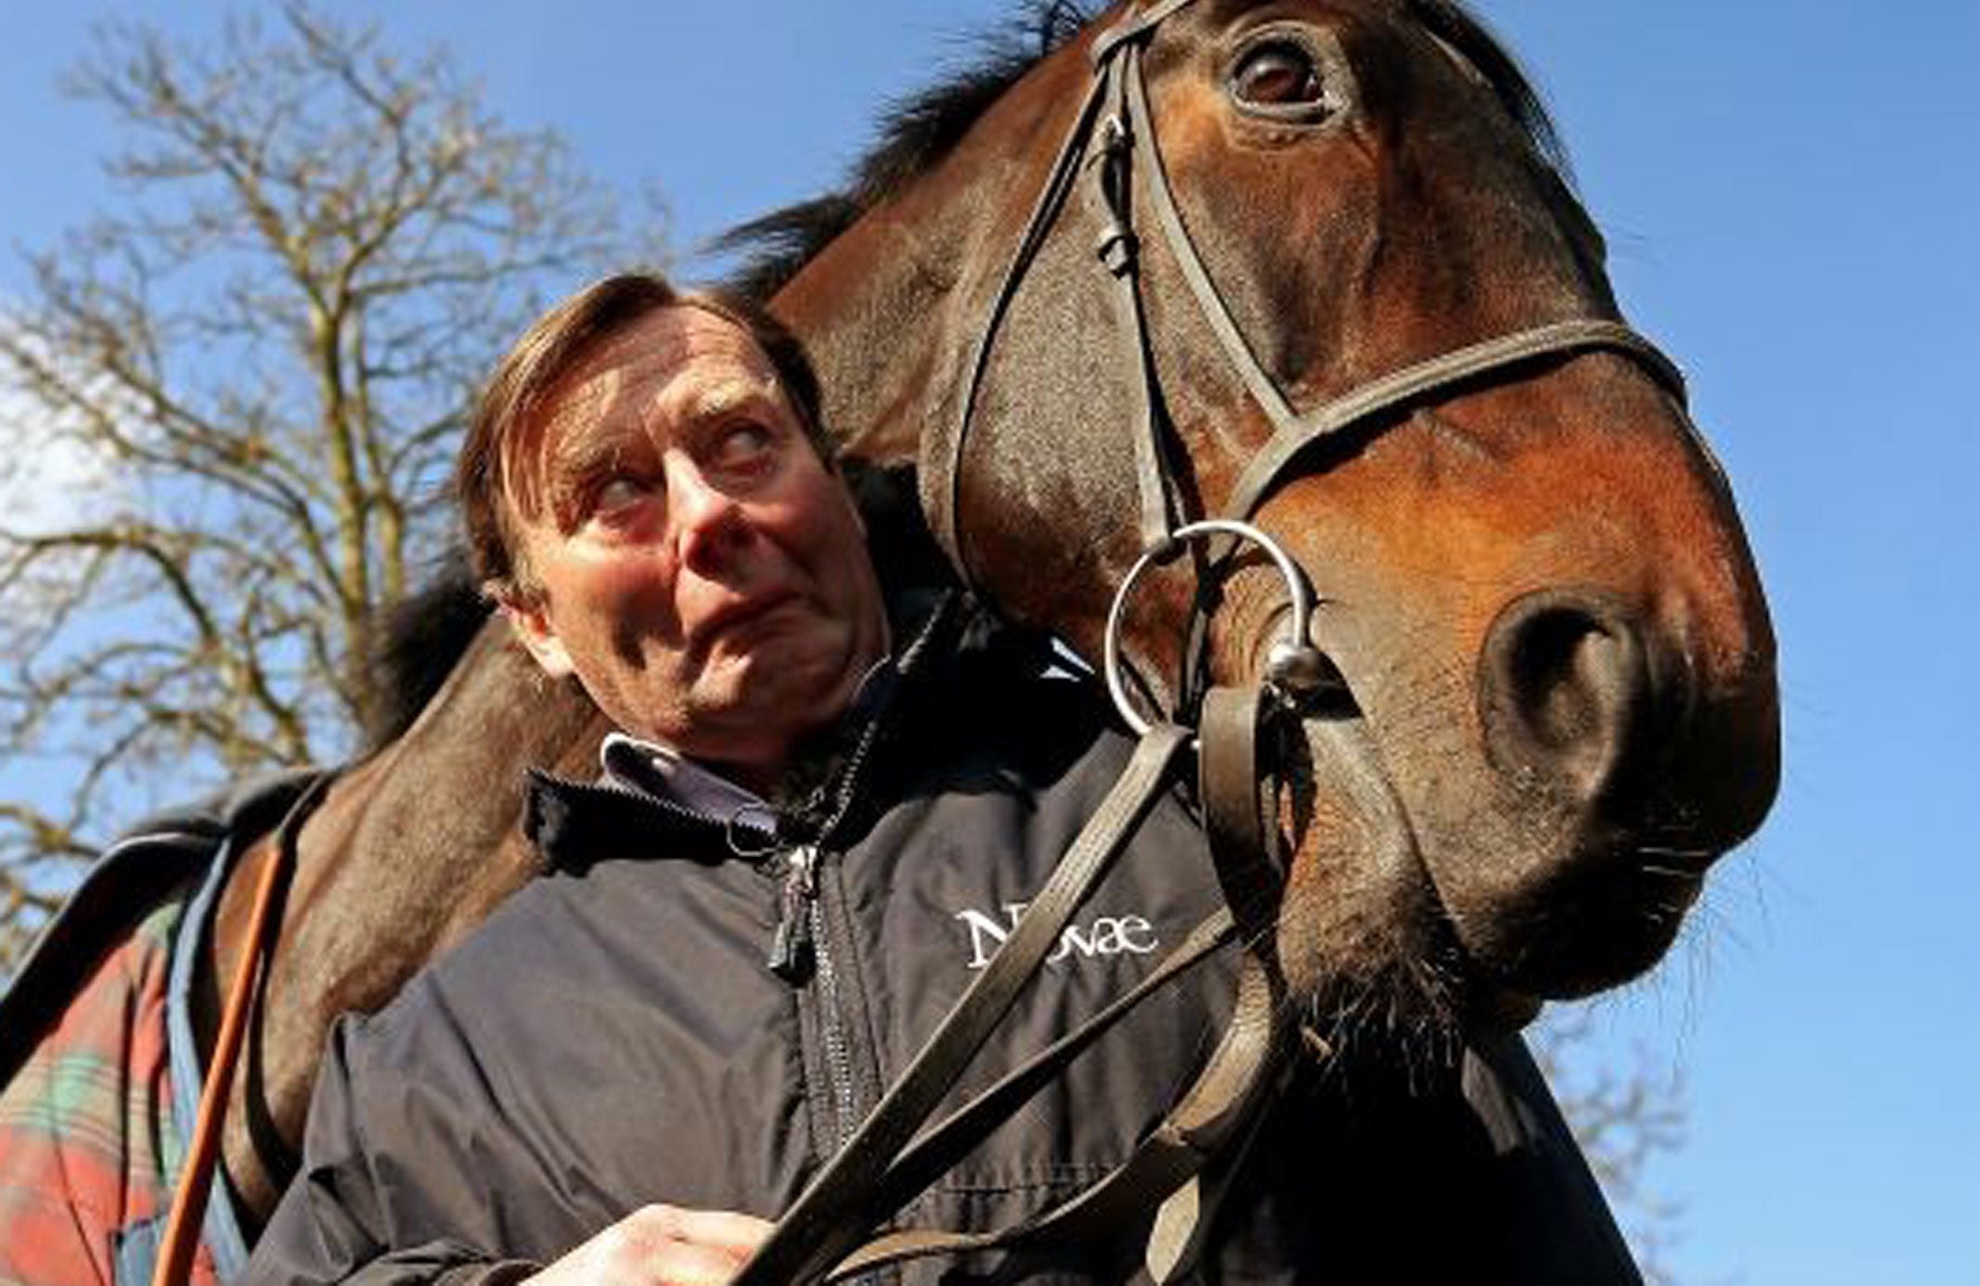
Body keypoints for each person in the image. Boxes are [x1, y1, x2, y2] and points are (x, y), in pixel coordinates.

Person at [245, 274, 1641, 1286]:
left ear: (833, 491)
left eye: (742, 442)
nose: (708, 510)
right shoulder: (428, 1058)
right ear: (536, 624)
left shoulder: (1219, 828)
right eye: (615, 491)